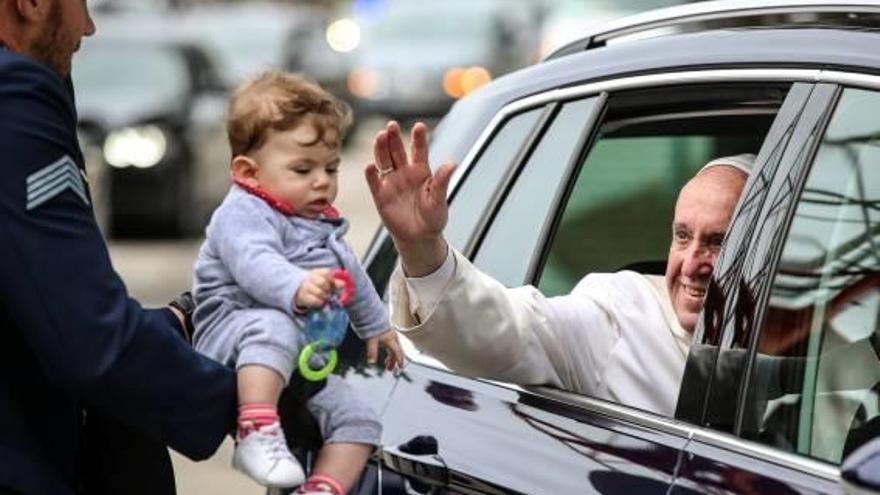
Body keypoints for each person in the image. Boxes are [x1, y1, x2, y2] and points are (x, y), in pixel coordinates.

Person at [0, 1, 240, 494]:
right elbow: (87, 339)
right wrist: (252, 403)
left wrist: (172, 324)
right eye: (79, 4)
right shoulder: (14, 97)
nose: (87, 26)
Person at [365, 120, 755, 417]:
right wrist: (420, 248)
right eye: (682, 237)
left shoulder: (813, 331)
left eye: (718, 242)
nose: (690, 264)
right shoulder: (624, 315)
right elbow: (503, 331)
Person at [192, 71, 403, 494]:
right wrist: (296, 285)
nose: (322, 181)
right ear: (248, 172)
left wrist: (377, 326)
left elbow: (353, 279)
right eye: (303, 169)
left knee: (360, 420)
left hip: (301, 359)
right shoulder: (242, 212)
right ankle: (256, 429)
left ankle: (323, 487)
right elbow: (255, 263)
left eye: (331, 167)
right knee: (273, 323)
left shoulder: (320, 223)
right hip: (232, 336)